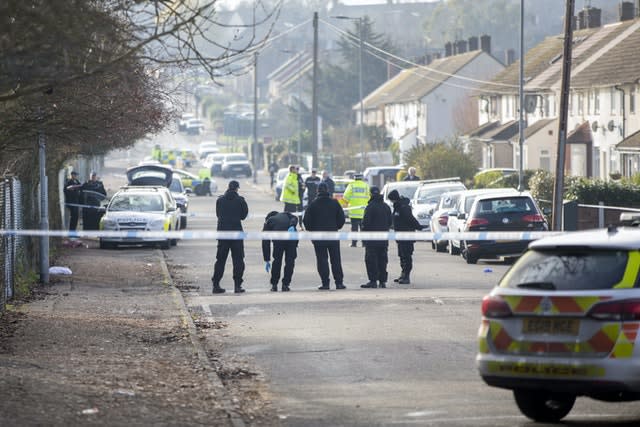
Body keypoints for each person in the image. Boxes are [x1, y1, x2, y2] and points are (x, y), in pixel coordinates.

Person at [303, 182, 346, 290]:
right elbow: (341, 219)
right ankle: (339, 283)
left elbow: (306, 221)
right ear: (327, 190)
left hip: (318, 237)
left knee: (322, 260)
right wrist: (336, 227)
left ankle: (325, 283)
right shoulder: (335, 203)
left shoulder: (312, 205)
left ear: (318, 191)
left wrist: (312, 231)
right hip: (333, 235)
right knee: (335, 259)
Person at [211, 180, 249, 294]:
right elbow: (243, 216)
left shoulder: (220, 200)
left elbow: (218, 215)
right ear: (237, 188)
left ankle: (216, 285)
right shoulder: (240, 200)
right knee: (238, 260)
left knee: (220, 260)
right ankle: (237, 286)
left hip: (223, 235)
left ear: (228, 187)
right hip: (236, 234)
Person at [388, 189, 424, 285]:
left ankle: (406, 276)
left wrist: (419, 227)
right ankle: (403, 274)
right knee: (402, 256)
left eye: (391, 200)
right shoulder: (397, 206)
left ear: (394, 199)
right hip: (399, 236)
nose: (391, 202)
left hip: (407, 236)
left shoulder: (404, 207)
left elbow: (410, 219)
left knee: (407, 256)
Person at [360, 186, 392, 288]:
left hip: (372, 239)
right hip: (383, 238)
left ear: (370, 194)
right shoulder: (386, 206)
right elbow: (390, 222)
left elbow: (365, 223)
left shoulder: (370, 207)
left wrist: (364, 235)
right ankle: (382, 281)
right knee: (383, 260)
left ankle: (373, 281)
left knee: (371, 260)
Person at [262, 211, 298, 292]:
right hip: (291, 240)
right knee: (290, 262)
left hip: (278, 241)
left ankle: (274, 285)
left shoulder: (269, 221)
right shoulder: (287, 214)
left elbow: (265, 241)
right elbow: (295, 218)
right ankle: (285, 285)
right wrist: (292, 225)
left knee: (277, 262)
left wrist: (267, 259)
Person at [342, 173, 370, 247]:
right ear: (362, 178)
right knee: (363, 228)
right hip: (363, 211)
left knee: (354, 228)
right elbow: (369, 197)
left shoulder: (351, 185)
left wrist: (349, 202)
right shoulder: (366, 185)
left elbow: (345, 197)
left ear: (355, 178)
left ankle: (354, 243)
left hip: (354, 211)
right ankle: (364, 243)